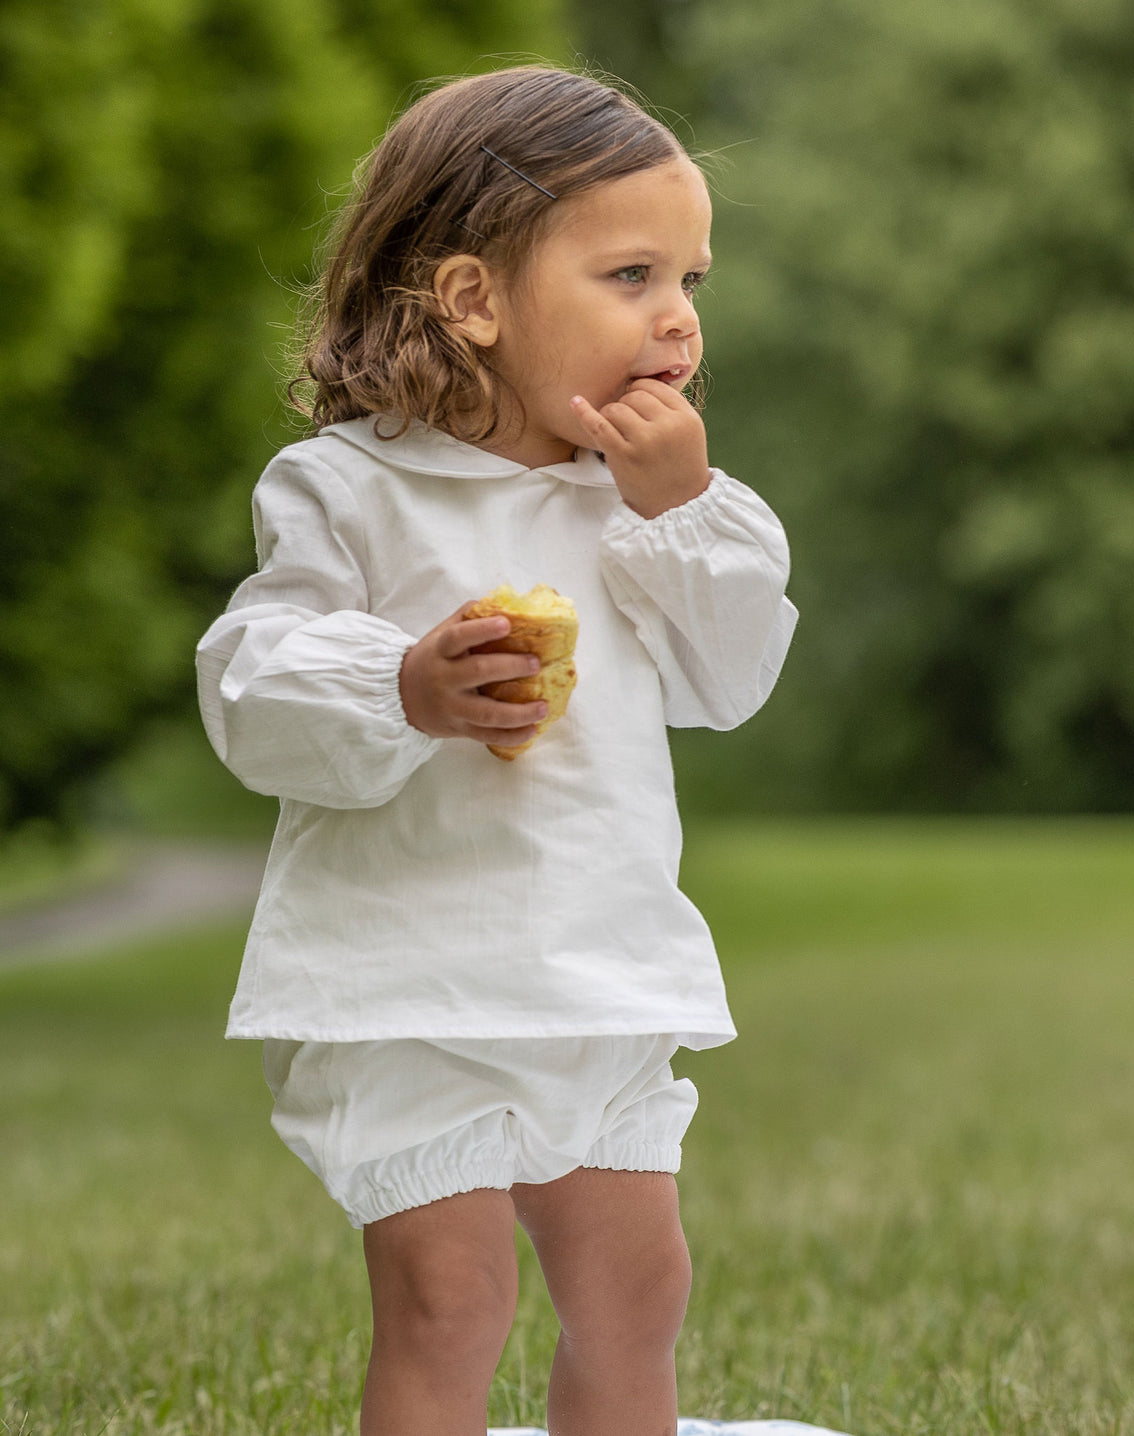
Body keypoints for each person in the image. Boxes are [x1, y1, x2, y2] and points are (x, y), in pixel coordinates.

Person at [196, 63, 797, 1436]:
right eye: (633, 273)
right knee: (448, 1304)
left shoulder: (658, 501)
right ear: (473, 299)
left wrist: (680, 514)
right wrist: (402, 685)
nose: (680, 320)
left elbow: (730, 680)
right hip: (410, 980)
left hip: (595, 967)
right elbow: (252, 685)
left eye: (693, 281)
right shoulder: (348, 489)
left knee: (639, 1295)